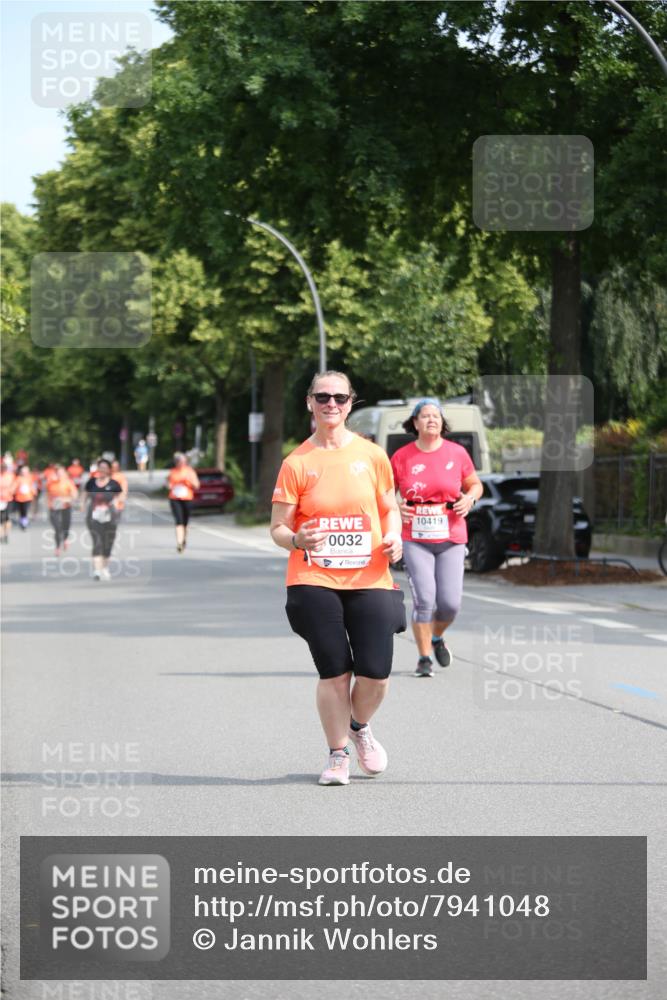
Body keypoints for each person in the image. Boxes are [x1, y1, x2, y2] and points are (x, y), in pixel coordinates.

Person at [270, 371, 405, 786]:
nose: (332, 404)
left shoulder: (372, 455)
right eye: (323, 397)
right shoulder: (297, 462)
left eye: (339, 397)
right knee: (335, 672)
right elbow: (277, 528)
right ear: (309, 402)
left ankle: (359, 727)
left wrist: (396, 536)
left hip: (370, 577)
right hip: (313, 577)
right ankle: (337, 756)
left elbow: (389, 510)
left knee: (376, 674)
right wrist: (296, 538)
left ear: (351, 403)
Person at [391, 398, 483, 678]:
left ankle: (437, 636)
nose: (432, 419)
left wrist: (469, 499)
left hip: (452, 533)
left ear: (442, 423)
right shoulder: (402, 457)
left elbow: (475, 485)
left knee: (450, 603)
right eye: (425, 416)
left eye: (436, 416)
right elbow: (385, 493)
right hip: (415, 535)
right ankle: (423, 659)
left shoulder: (457, 453)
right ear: (415, 423)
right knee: (425, 600)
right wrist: (397, 505)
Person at [82, 458, 122, 580]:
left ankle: (104, 567)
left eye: (105, 468)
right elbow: (85, 494)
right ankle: (97, 571)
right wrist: (82, 505)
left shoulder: (114, 484)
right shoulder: (91, 483)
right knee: (97, 543)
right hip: (93, 516)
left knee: (107, 544)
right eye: (101, 468)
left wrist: (117, 502)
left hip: (110, 517)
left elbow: (121, 495)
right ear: (98, 469)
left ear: (109, 470)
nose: (103, 470)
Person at [167, 452, 200, 552]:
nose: (180, 463)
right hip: (175, 499)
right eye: (178, 462)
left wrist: (188, 481)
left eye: (182, 461)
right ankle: (179, 543)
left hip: (187, 499)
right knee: (178, 521)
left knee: (185, 522)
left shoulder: (190, 471)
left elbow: (197, 485)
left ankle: (183, 539)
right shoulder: (172, 472)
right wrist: (171, 485)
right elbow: (169, 484)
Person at [47, 465, 78, 555]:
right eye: (57, 473)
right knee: (57, 528)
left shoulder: (68, 482)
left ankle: (65, 539)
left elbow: (74, 495)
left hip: (65, 507)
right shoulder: (50, 483)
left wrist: (65, 499)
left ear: (65, 473)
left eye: (61, 472)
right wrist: (49, 504)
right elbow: (48, 494)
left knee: (66, 526)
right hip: (54, 508)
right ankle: (57, 547)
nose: (59, 474)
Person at [12, 465, 36, 530]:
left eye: (25, 471)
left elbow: (33, 486)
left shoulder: (30, 478)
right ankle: (22, 521)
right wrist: (12, 491)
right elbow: (14, 486)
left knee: (25, 510)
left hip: (28, 498)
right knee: (21, 511)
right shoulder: (18, 478)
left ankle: (24, 524)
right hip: (19, 498)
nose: (24, 473)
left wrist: (34, 492)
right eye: (23, 471)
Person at [0, 460, 16, 543]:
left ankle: (6, 534)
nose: (2, 470)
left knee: (7, 518)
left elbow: (14, 485)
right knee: (1, 519)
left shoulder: (10, 476)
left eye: (4, 468)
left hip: (8, 499)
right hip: (0, 500)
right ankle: (1, 535)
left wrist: (10, 491)